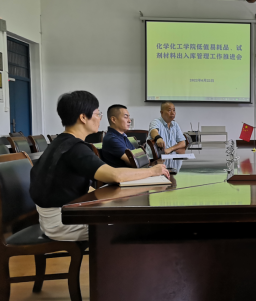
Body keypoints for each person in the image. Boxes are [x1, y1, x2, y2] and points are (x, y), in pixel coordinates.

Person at [30, 91, 169, 241]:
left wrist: (111, 200)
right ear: (83, 117)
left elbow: (75, 185)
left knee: (128, 216)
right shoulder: (75, 148)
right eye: (98, 114)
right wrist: (153, 171)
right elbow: (115, 175)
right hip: (64, 223)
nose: (99, 118)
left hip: (60, 216)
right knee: (137, 225)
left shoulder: (62, 142)